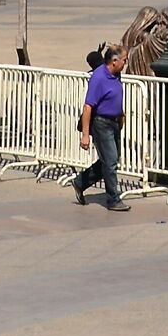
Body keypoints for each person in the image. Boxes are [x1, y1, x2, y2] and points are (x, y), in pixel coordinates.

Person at [72, 41, 130, 211]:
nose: (126, 63)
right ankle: (113, 199)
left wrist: (121, 115)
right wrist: (85, 134)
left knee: (111, 159)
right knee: (110, 161)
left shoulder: (116, 73)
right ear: (114, 61)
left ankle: (80, 182)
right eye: (124, 60)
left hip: (114, 122)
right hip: (101, 123)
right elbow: (88, 106)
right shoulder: (98, 77)